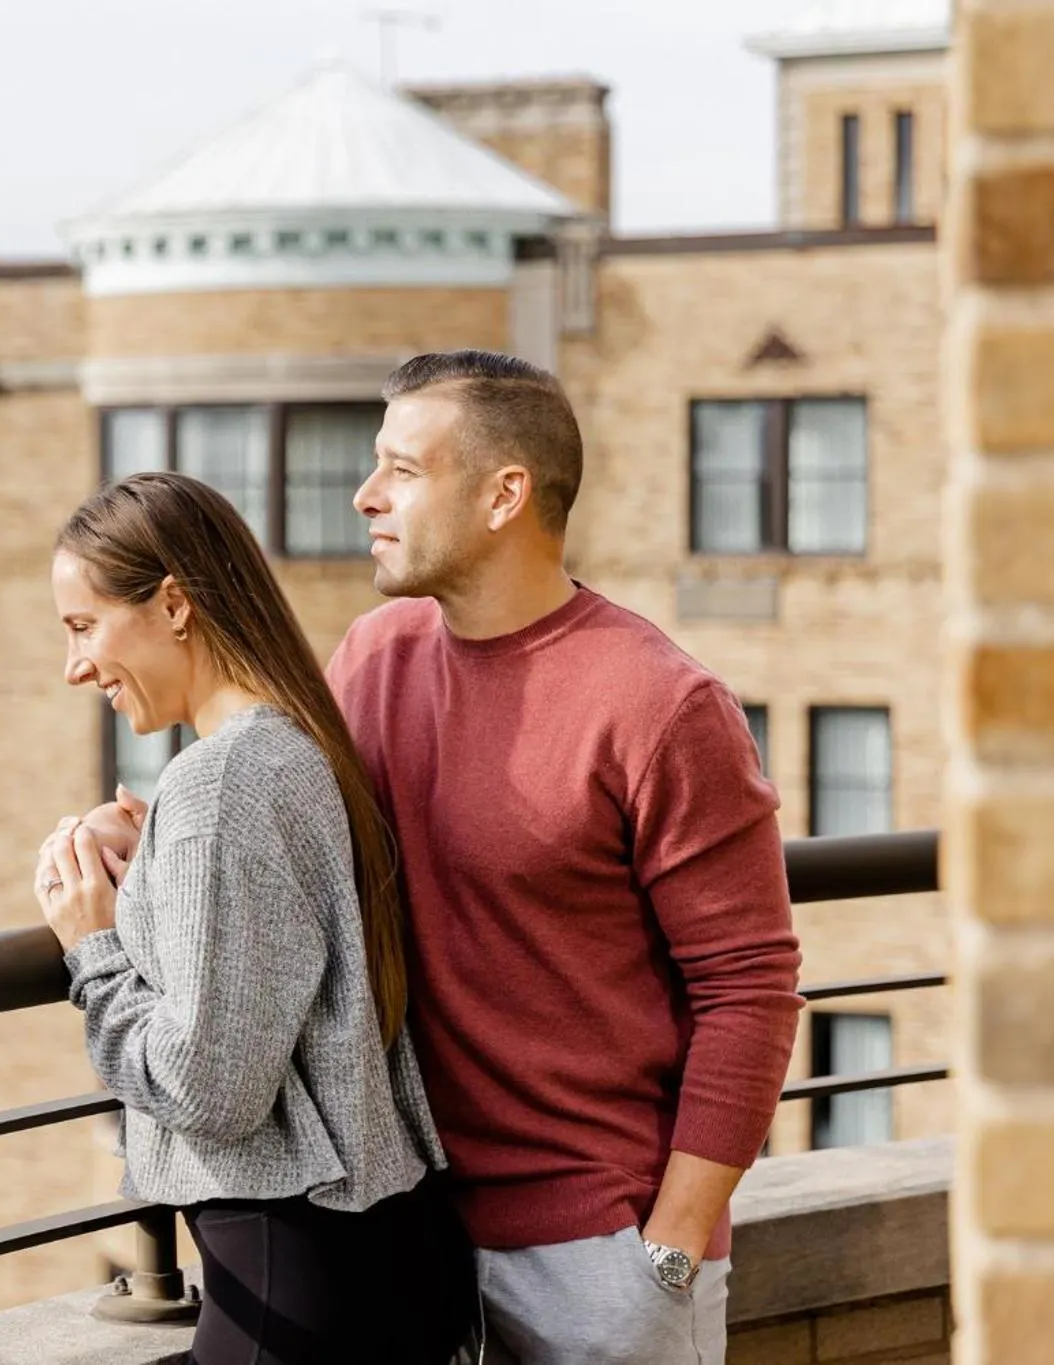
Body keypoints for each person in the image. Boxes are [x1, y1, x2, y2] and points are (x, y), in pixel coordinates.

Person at [325, 349, 804, 1364]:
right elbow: (294, 847)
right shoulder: (373, 657)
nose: (365, 496)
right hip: (413, 1229)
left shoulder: (658, 703)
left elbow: (748, 987)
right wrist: (152, 834)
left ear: (503, 494)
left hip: (600, 1252)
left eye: (401, 471)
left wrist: (667, 1250)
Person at [30, 470, 472, 1365]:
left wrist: (95, 948)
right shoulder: (294, 748)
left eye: (84, 626)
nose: (74, 665)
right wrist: (159, 856)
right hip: (381, 1260)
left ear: (175, 604)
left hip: (294, 1287)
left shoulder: (223, 783)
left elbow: (209, 1090)